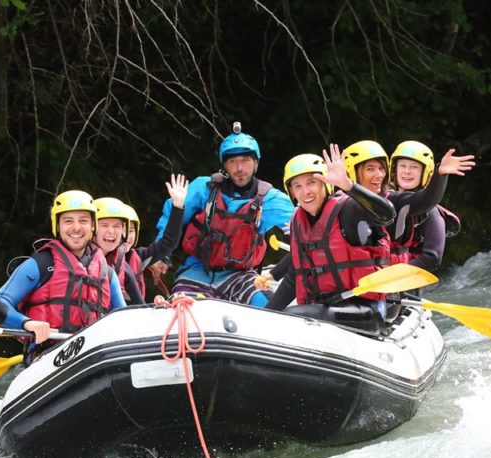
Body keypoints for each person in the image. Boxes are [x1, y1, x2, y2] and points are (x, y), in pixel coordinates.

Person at [154, 123, 294, 307]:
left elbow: (304, 224)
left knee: (269, 308)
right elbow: (174, 214)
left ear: (256, 163)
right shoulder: (204, 188)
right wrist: (161, 254)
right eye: (232, 162)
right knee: (182, 310)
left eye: (245, 160)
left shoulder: (271, 199)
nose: (239, 168)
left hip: (241, 276)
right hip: (196, 271)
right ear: (224, 166)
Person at [265, 147, 396, 330]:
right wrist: (265, 316)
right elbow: (294, 277)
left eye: (311, 182)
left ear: (325, 184)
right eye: (298, 186)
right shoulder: (298, 223)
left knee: (292, 317)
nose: (306, 192)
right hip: (325, 307)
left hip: (366, 309)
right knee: (279, 316)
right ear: (292, 193)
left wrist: (350, 186)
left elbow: (387, 214)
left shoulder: (348, 210)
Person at [0, 190, 126, 355]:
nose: (76, 228)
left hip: (92, 355)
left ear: (93, 225)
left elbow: (124, 320)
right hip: (47, 356)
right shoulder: (41, 264)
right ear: (57, 225)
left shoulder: (107, 273)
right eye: (68, 221)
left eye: (83, 221)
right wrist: (27, 323)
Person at [389, 140, 462, 271]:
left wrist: (391, 275)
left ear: (426, 172)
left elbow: (432, 258)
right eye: (402, 166)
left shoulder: (431, 212)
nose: (407, 171)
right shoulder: (385, 200)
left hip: (402, 285)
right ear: (394, 169)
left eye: (414, 167)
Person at [122, 174, 188, 300]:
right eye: (119, 229)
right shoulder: (96, 260)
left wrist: (177, 206)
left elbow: (169, 242)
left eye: (130, 231)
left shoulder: (139, 256)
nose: (125, 236)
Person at [92, 197, 145, 305]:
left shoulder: (121, 264)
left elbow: (139, 306)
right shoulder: (77, 257)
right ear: (92, 227)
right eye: (104, 225)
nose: (111, 231)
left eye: (117, 226)